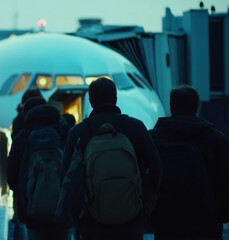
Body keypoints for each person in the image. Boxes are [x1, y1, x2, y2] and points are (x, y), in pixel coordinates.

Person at [58, 77, 162, 240]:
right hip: (131, 219)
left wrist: (79, 217)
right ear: (115, 98)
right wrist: (143, 206)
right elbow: (156, 169)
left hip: (92, 222)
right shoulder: (136, 127)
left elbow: (65, 178)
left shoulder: (78, 133)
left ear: (91, 101)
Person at [149, 85, 229, 240]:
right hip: (207, 222)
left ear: (171, 107)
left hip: (167, 220)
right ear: (196, 107)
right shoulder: (216, 140)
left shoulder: (153, 139)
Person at [7, 96, 71, 240]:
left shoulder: (22, 137)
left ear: (26, 115)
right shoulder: (65, 133)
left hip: (33, 210)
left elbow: (11, 177)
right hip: (62, 210)